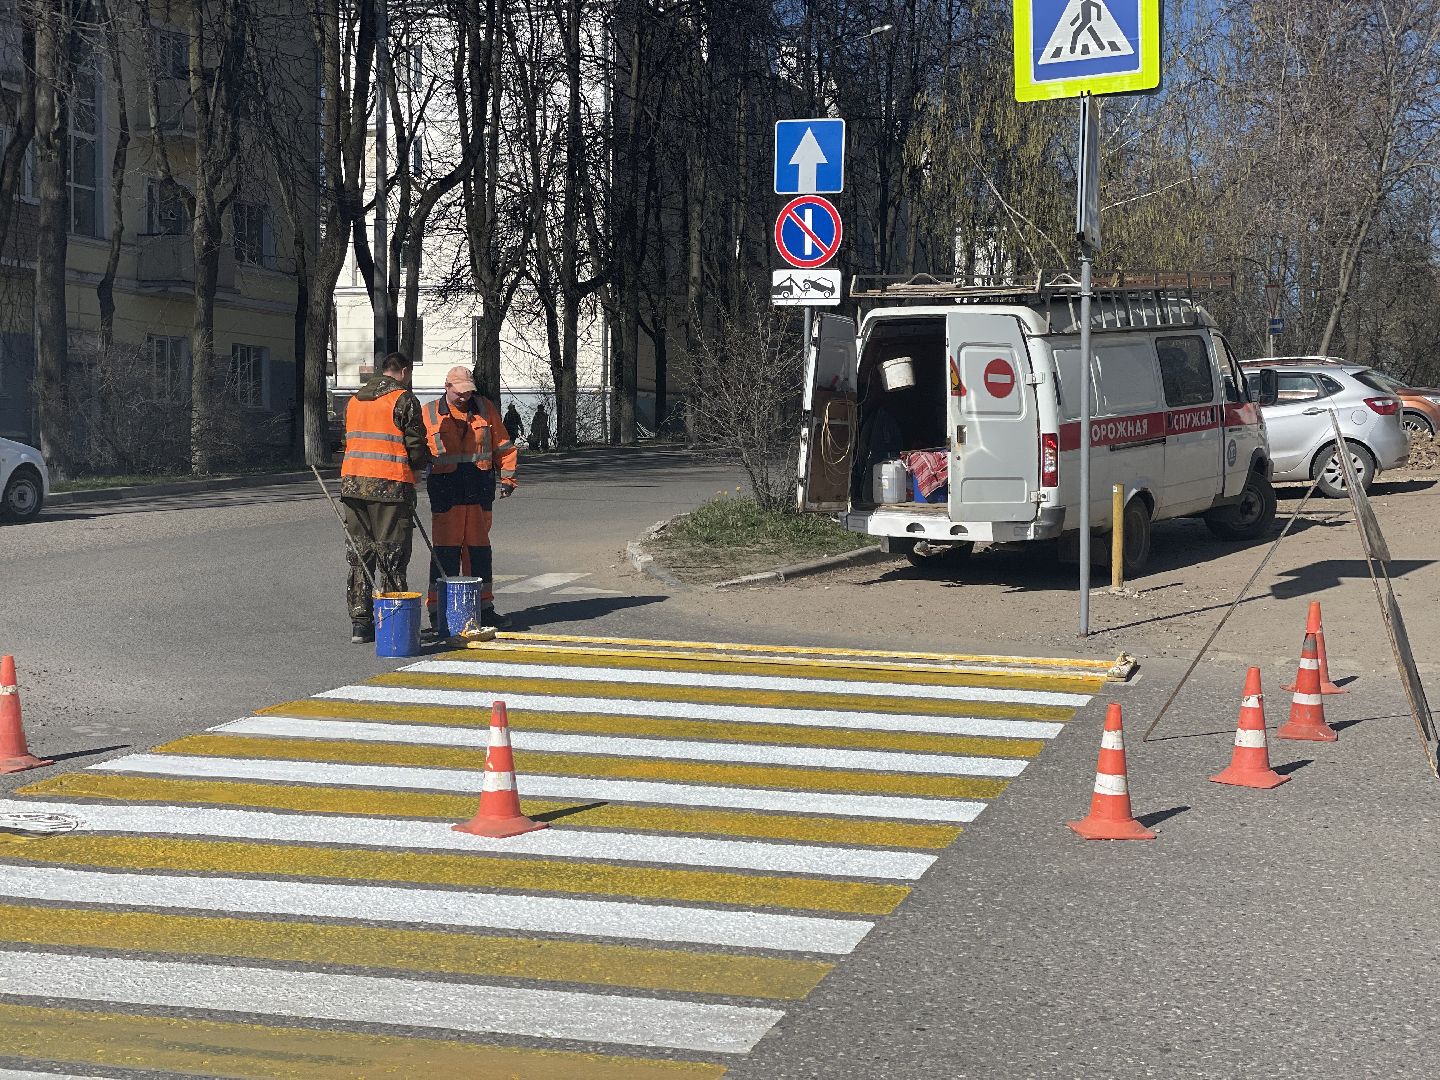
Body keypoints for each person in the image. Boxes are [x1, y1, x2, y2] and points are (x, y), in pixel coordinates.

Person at [339, 351, 432, 643]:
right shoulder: (403, 399)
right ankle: (391, 622)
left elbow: (348, 439)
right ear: (403, 371)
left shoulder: (354, 400)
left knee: (360, 554)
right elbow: (415, 444)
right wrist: (419, 469)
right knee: (391, 554)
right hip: (390, 486)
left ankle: (360, 623)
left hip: (353, 485)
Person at [422, 365, 519, 631]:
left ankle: (483, 608)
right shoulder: (429, 412)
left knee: (479, 552)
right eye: (459, 392)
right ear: (447, 387)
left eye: (468, 391)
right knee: (445, 553)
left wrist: (508, 479)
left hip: (478, 490)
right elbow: (416, 450)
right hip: (446, 492)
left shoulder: (485, 408)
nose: (464, 396)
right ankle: (439, 610)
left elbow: (503, 445)